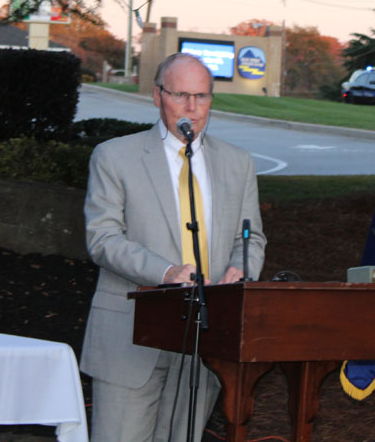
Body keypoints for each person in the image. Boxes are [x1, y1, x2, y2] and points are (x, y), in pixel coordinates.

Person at [80, 52, 267, 442]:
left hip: (205, 337)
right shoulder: (115, 156)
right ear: (157, 95)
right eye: (181, 95)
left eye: (202, 96)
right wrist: (165, 272)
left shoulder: (238, 162)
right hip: (129, 335)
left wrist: (243, 269)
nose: (192, 108)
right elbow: (103, 239)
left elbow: (250, 238)